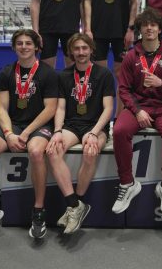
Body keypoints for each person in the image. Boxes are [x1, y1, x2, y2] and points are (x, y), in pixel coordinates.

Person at [0, 29, 58, 240]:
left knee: (36, 152)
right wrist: (9, 133)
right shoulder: (6, 73)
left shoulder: (48, 73)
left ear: (36, 47)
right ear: (13, 47)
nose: (24, 47)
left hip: (39, 126)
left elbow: (50, 108)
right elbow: (1, 108)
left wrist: (27, 132)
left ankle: (38, 211)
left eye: (28, 43)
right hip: (14, 126)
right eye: (19, 43)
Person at [111, 7, 162, 217]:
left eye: (153, 25)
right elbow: (123, 89)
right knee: (119, 131)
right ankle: (127, 183)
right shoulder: (131, 56)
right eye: (145, 25)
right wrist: (137, 111)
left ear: (160, 29)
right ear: (140, 30)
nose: (149, 28)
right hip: (139, 107)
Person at [46, 33, 115, 234]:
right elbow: (60, 108)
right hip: (71, 125)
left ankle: (77, 204)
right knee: (53, 151)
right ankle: (75, 205)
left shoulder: (104, 74)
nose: (81, 52)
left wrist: (95, 133)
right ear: (70, 52)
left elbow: (108, 108)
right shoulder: (63, 75)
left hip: (96, 125)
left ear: (92, 50)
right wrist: (57, 131)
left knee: (90, 150)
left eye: (85, 48)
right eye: (76, 49)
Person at [84, 0, 138, 118]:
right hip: (97, 32)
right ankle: (99, 118)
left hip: (121, 31)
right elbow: (87, 0)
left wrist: (131, 29)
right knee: (99, 76)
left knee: (121, 76)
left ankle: (119, 118)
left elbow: (134, 2)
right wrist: (87, 29)